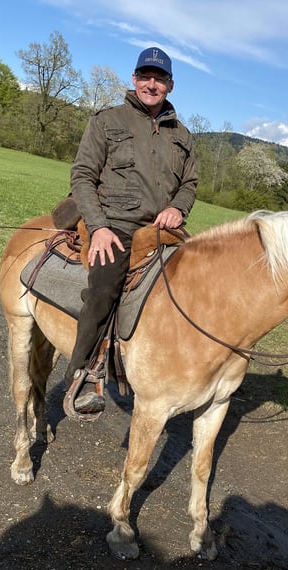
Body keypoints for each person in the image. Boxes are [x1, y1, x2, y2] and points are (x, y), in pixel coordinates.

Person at [65, 46, 197, 414]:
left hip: (161, 230)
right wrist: (99, 228)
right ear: (134, 79)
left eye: (159, 78)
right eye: (145, 76)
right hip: (115, 226)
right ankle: (84, 374)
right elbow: (83, 175)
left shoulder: (183, 137)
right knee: (105, 287)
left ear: (170, 85)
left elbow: (190, 184)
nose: (151, 84)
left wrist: (177, 207)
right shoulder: (108, 121)